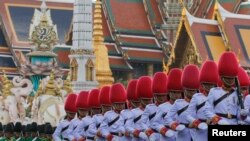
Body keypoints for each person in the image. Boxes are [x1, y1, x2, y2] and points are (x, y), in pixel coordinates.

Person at [207, 52, 247, 125]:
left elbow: (237, 115)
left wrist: (242, 115)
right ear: (222, 78)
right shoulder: (214, 92)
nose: (230, 80)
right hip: (218, 123)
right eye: (227, 78)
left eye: (232, 78)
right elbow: (207, 110)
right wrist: (218, 120)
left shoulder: (238, 94)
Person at [166, 65, 201, 141]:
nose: (191, 93)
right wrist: (175, 126)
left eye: (193, 90)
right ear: (184, 89)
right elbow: (168, 118)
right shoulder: (178, 103)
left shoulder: (201, 103)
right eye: (189, 90)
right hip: (182, 137)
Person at [185, 61, 219, 141]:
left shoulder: (218, 96)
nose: (209, 86)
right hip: (200, 132)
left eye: (211, 84)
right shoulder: (196, 97)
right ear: (202, 84)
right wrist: (196, 122)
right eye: (206, 84)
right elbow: (188, 115)